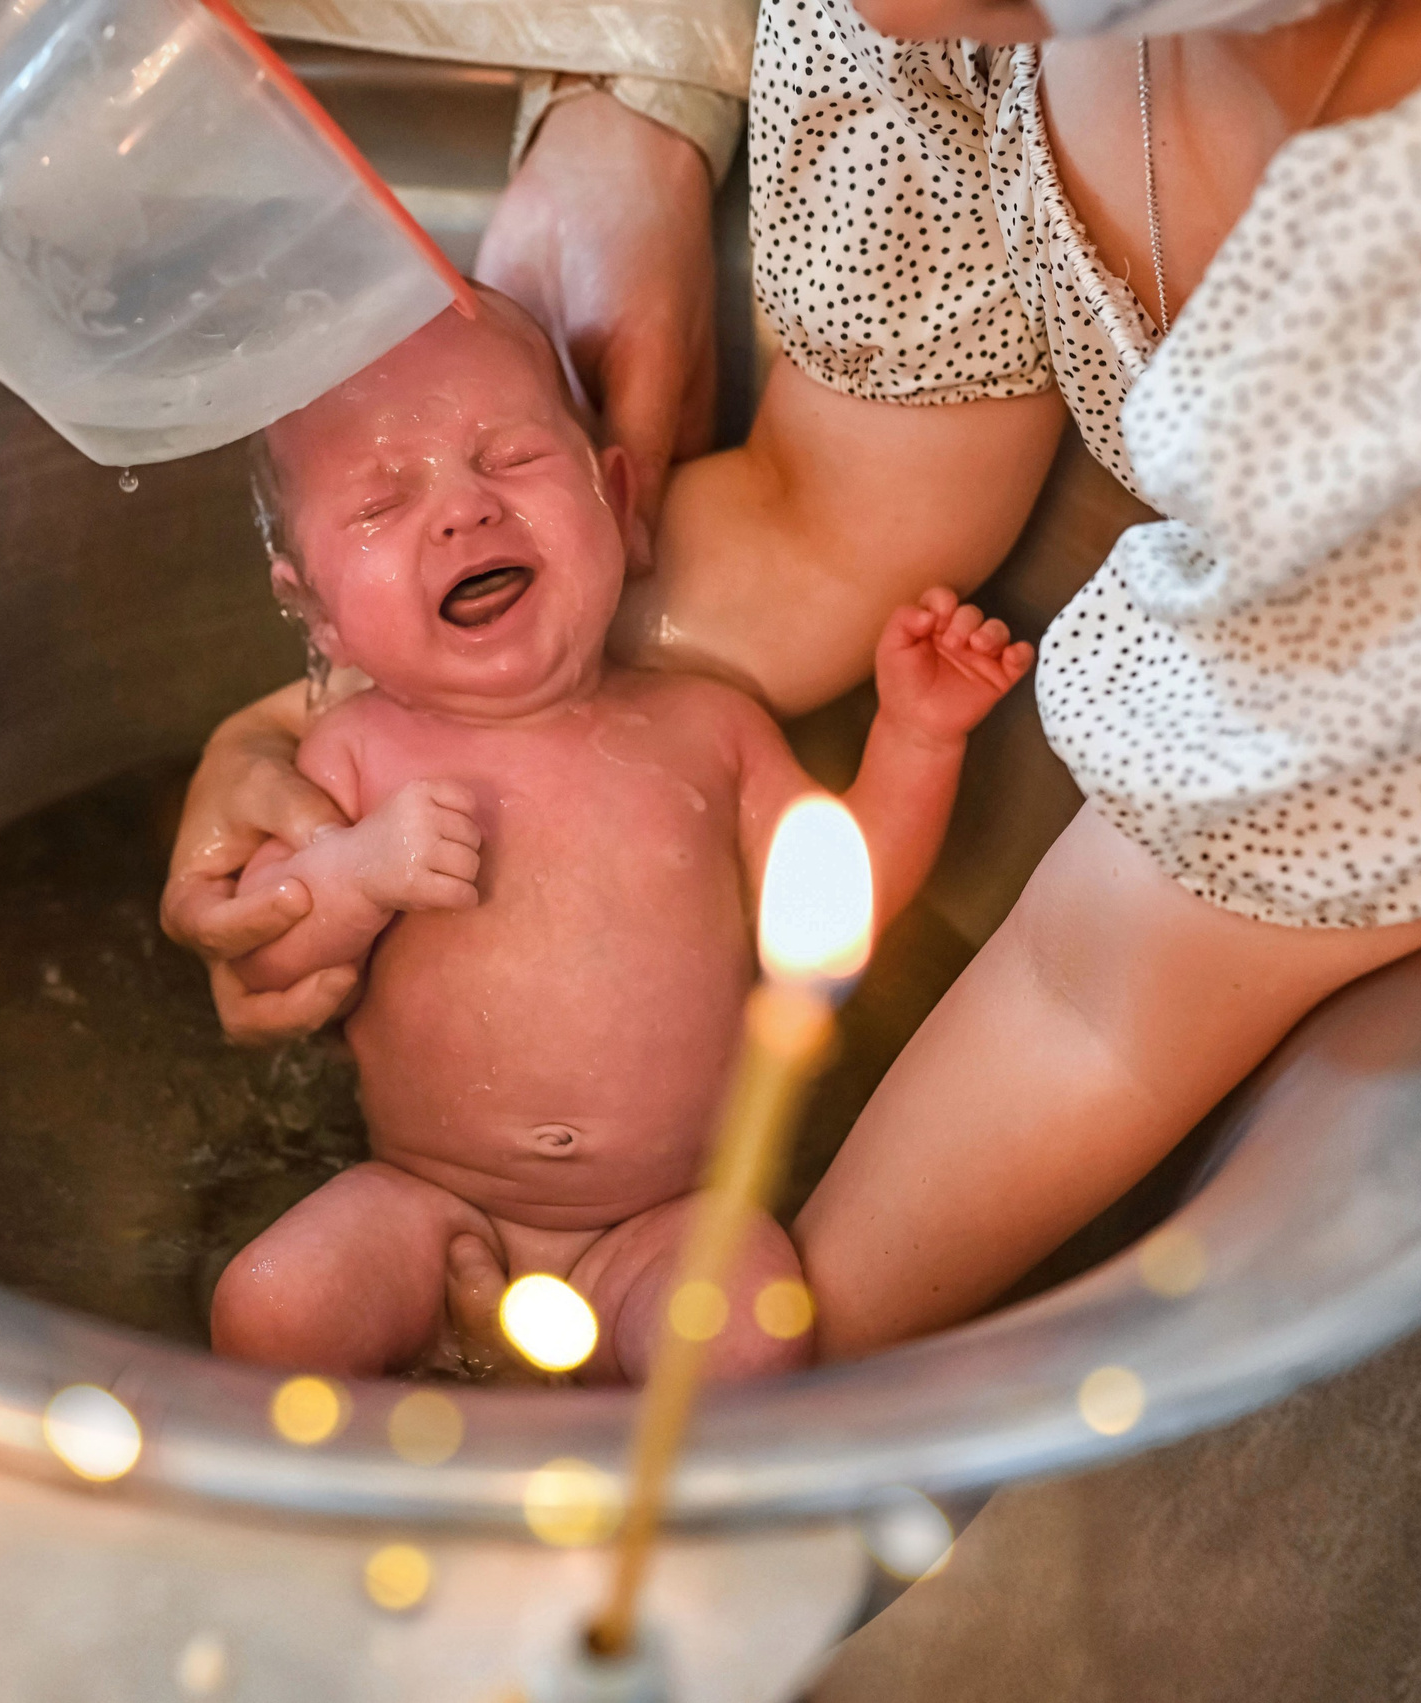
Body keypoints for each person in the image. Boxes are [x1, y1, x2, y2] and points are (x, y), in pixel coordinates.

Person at [175, 0, 1421, 1694]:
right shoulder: (945, 18)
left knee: (1187, 1617)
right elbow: (832, 518)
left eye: (515, 459)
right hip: (456, 1187)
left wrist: (725, 1414)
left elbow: (1106, 993)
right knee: (283, 1310)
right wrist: (306, 732)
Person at [207, 287, 1029, 1382]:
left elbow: (837, 906)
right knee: (270, 1308)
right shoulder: (351, 759)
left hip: (664, 1225)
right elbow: (263, 958)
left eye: (508, 459)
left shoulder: (708, 728)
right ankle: (413, 1478)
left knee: (749, 1321)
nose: (463, 513)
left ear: (619, 500)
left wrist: (917, 740)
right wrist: (356, 875)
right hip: (432, 1209)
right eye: (381, 501)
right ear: (316, 615)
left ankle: (574, 1441)